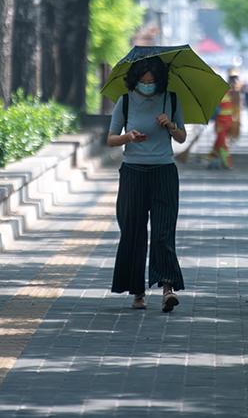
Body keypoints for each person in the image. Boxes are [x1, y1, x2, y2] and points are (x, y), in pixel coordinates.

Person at [107, 56, 187, 312]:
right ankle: (137, 292)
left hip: (164, 172)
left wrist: (170, 125)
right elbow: (110, 138)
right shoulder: (125, 101)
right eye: (143, 81)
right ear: (135, 80)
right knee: (133, 232)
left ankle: (167, 288)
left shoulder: (171, 99)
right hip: (133, 173)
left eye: (152, 82)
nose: (147, 85)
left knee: (163, 232)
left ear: (160, 80)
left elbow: (182, 137)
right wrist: (128, 137)